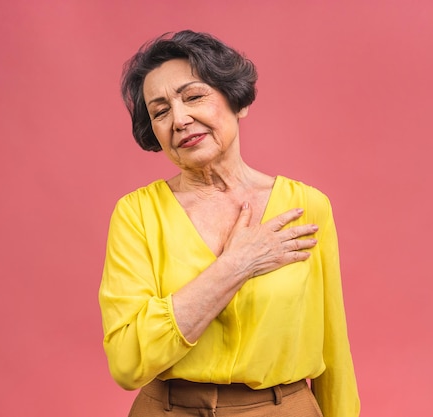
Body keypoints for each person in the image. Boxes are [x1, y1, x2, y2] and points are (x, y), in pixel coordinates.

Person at [99, 30, 360, 417]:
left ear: (236, 100)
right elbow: (127, 361)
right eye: (160, 111)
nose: (180, 119)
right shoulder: (136, 214)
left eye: (193, 96)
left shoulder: (306, 206)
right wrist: (237, 265)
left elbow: (333, 348)